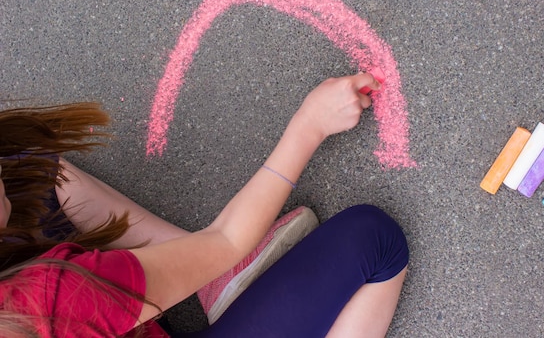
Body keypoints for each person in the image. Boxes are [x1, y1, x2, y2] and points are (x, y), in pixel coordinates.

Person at [0, 73, 409, 337]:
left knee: (27, 172)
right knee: (375, 239)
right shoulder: (49, 301)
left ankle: (208, 280)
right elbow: (228, 238)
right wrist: (311, 124)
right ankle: (208, 274)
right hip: (74, 311)